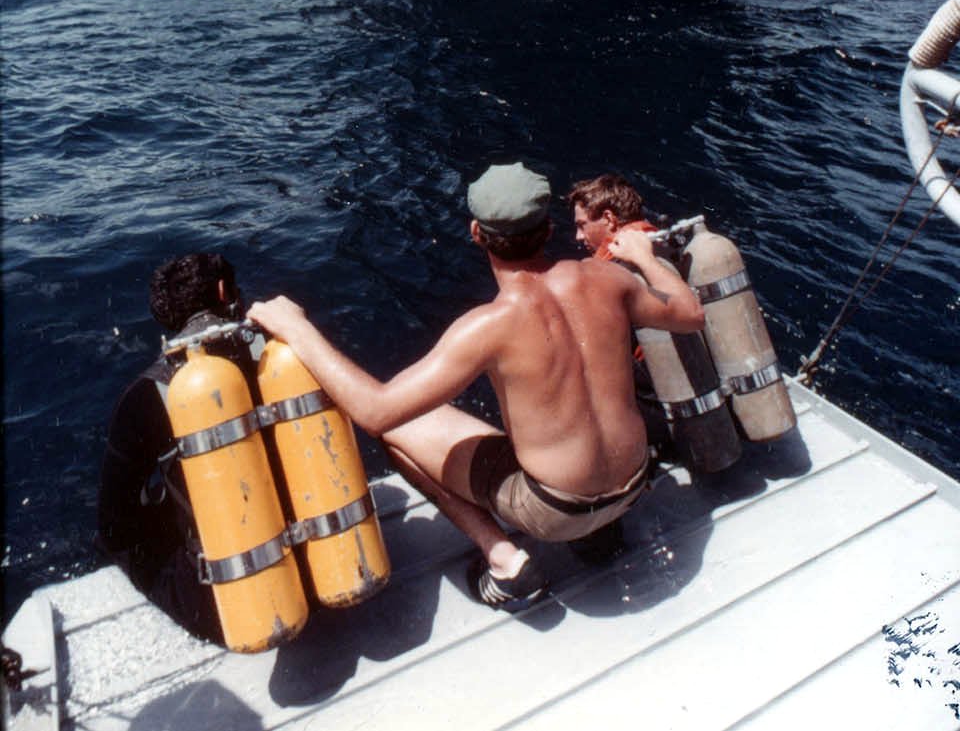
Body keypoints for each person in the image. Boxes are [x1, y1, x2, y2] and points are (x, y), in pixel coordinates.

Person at [248, 162, 704, 613]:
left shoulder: (488, 326)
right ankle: (600, 530)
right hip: (633, 484)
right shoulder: (608, 278)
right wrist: (645, 257)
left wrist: (298, 328)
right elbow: (691, 315)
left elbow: (374, 412)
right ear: (548, 229)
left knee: (399, 430)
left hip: (556, 512)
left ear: (476, 234)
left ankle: (505, 563)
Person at [97, 252, 247, 643]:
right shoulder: (282, 354)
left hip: (227, 613)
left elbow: (113, 526)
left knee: (126, 533)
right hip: (322, 570)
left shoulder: (147, 394)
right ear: (224, 291)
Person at [568, 172, 658, 257]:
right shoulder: (658, 246)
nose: (578, 237)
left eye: (582, 225)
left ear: (609, 219)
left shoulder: (628, 264)